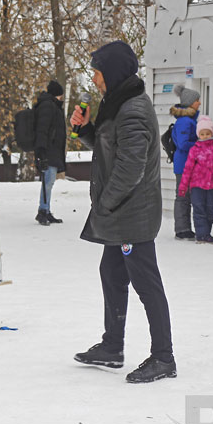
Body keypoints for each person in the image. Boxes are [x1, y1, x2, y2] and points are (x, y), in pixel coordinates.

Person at [69, 40, 176, 383]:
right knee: (112, 275)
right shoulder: (118, 103)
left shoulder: (132, 109)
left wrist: (106, 203)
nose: (96, 79)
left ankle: (163, 358)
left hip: (132, 215)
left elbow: (129, 168)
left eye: (98, 72)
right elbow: (109, 148)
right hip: (120, 212)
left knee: (147, 285)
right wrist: (84, 130)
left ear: (112, 71)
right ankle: (112, 346)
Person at [176, 116, 213, 244]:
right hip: (197, 186)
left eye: (208, 133)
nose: (205, 136)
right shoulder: (195, 149)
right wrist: (183, 186)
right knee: (198, 209)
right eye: (202, 134)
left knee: (210, 210)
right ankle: (202, 235)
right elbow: (188, 169)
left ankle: (206, 232)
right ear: (198, 135)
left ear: (212, 133)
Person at [33, 80, 67, 225]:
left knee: (50, 181)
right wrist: (41, 151)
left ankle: (46, 210)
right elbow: (42, 129)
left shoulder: (52, 105)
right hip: (48, 150)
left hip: (52, 149)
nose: (62, 98)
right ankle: (42, 211)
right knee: (48, 181)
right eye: (60, 96)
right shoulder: (48, 106)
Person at [170, 83, 201, 240]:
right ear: (190, 102)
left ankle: (185, 228)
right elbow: (182, 144)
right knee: (182, 197)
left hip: (187, 164)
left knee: (185, 197)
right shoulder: (185, 122)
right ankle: (182, 229)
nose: (199, 103)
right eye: (197, 100)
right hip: (184, 165)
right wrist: (200, 144)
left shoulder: (189, 120)